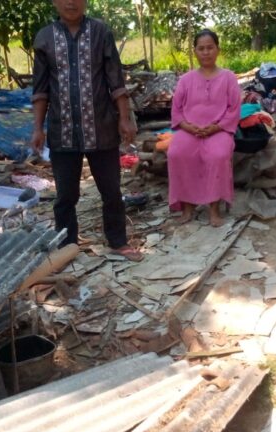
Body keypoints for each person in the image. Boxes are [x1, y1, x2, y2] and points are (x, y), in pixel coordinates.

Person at [31, 0, 142, 261]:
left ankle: (117, 241)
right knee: (66, 195)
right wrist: (37, 127)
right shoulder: (45, 38)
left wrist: (124, 118)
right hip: (62, 129)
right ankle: (67, 246)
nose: (71, 2)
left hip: (101, 127)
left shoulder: (101, 32)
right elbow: (40, 88)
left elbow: (116, 80)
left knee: (111, 191)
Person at [167, 29, 241, 227]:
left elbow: (234, 109)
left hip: (219, 130)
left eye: (210, 48)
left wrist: (214, 128)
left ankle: (214, 209)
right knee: (177, 152)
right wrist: (188, 127)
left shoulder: (229, 78)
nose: (206, 52)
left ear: (218, 50)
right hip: (189, 129)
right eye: (201, 48)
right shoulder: (186, 80)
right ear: (195, 51)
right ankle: (187, 206)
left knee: (217, 156)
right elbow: (176, 110)